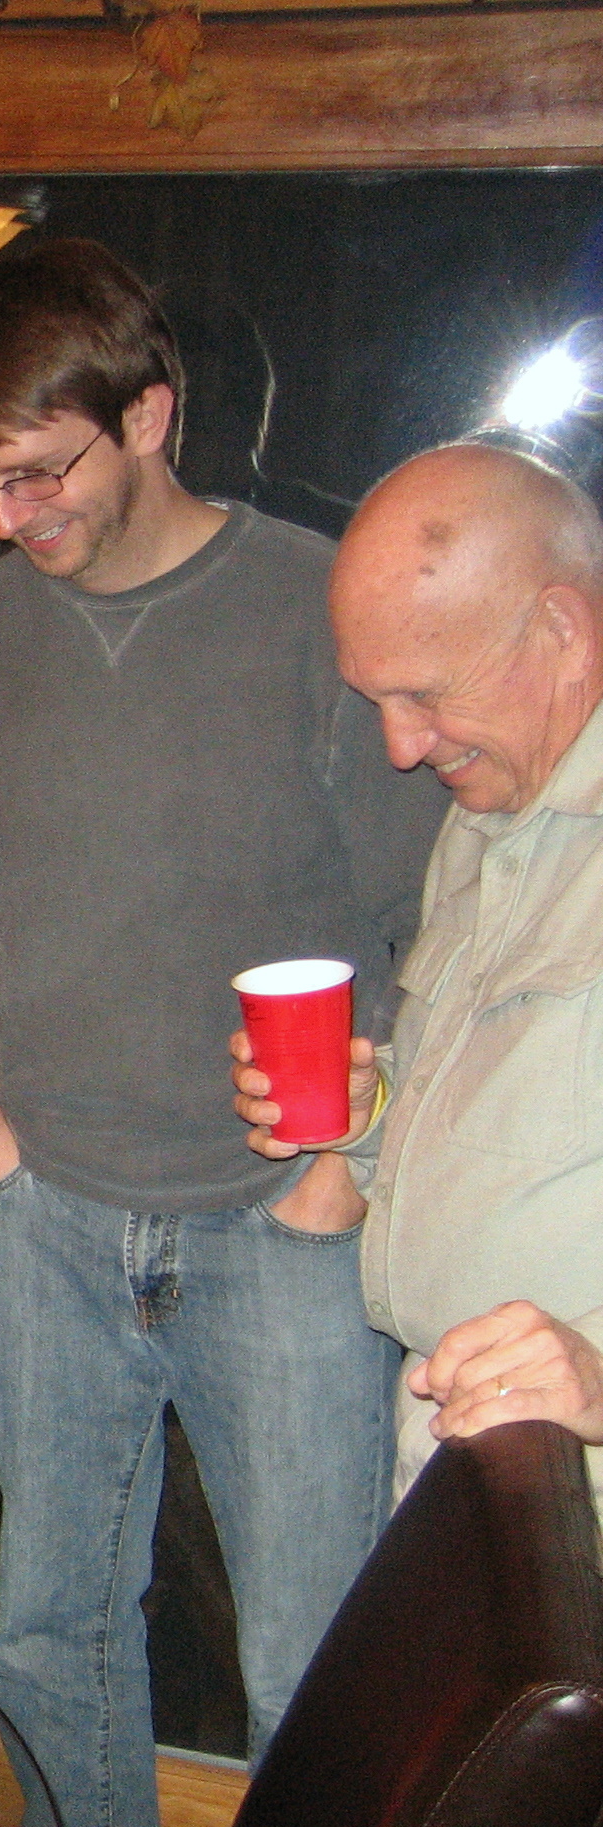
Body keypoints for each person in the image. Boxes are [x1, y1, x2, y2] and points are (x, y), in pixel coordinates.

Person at [0, 238, 446, 1827]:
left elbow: (421, 909)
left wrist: (345, 1166)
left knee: (309, 1660)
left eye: (36, 472)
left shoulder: (315, 613)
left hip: (278, 1223)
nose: (8, 516)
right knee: (45, 1638)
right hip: (52, 1207)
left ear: (148, 414)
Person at [234, 442, 603, 1490]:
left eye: (427, 695)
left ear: (562, 631)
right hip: (464, 1469)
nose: (401, 747)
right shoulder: (489, 820)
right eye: (376, 701)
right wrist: (373, 1111)